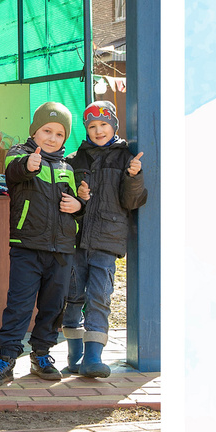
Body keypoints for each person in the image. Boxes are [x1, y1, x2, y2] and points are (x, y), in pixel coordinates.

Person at [0, 100, 83, 386]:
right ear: (34, 131)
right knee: (19, 304)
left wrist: (78, 206)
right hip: (27, 246)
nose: (52, 138)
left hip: (62, 249)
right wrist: (28, 165)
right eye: (46, 131)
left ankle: (41, 354)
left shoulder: (69, 167)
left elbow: (81, 204)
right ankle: (6, 358)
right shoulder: (20, 155)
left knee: (53, 306)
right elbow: (12, 171)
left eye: (59, 134)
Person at [63, 100, 149, 379]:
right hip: (76, 238)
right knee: (72, 296)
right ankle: (74, 356)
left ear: (114, 125)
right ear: (86, 130)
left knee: (99, 296)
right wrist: (80, 197)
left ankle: (93, 358)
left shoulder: (126, 158)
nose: (98, 131)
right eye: (92, 126)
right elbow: (65, 197)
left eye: (103, 125)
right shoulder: (75, 160)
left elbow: (131, 201)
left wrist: (133, 176)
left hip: (107, 240)